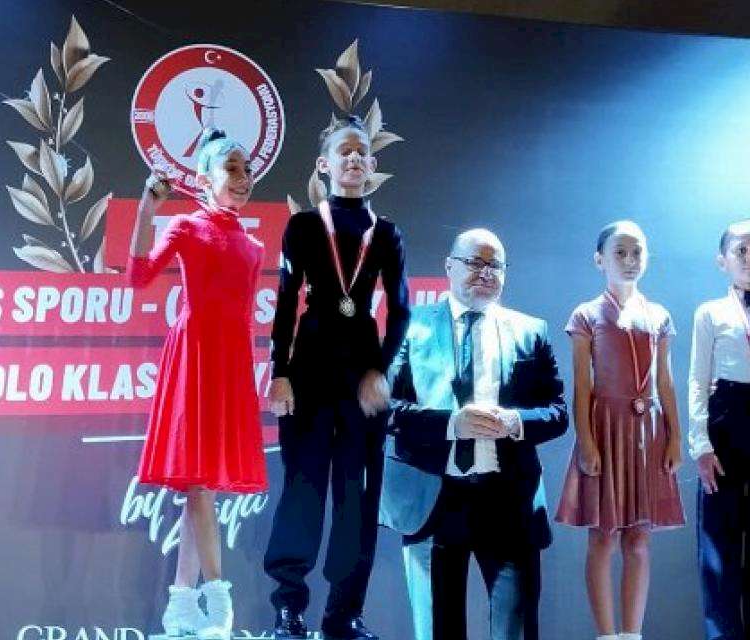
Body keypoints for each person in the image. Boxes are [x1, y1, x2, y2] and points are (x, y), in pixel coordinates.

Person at [381, 228, 568, 640]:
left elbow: (557, 413)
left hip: (509, 501)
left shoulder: (531, 330)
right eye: (474, 263)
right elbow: (385, 408)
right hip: (433, 499)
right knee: (437, 630)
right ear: (449, 267)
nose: (485, 273)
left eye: (495, 265)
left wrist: (515, 422)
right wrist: (452, 424)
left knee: (516, 630)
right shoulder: (410, 325)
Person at [264, 115, 410, 640]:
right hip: (309, 367)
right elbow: (286, 303)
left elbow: (401, 310)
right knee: (302, 488)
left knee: (358, 495)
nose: (352, 158)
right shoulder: (304, 226)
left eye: (360, 152)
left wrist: (380, 370)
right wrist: (280, 373)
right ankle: (289, 608)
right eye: (343, 151)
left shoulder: (386, 233)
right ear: (324, 164)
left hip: (362, 373)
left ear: (371, 165)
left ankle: (344, 612)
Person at [129, 128, 267, 640]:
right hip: (192, 358)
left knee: (199, 485)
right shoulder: (187, 226)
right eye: (231, 169)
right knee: (200, 485)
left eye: (246, 170)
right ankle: (219, 597)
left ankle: (181, 603)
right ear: (205, 178)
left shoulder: (253, 245)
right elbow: (138, 276)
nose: (242, 178)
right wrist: (147, 210)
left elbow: (246, 316)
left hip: (230, 365)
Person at [554, 221, 684, 640]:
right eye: (620, 252)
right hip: (605, 428)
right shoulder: (586, 314)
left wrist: (675, 436)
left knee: (639, 539)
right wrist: (586, 441)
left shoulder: (659, 314)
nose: (630, 260)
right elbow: (582, 383)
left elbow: (665, 381)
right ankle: (607, 635)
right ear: (600, 260)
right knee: (604, 537)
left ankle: (632, 634)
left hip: (648, 434)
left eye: (637, 252)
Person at [689, 219, 750, 640]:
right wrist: (701, 445)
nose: (749, 258)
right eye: (741, 250)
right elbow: (697, 380)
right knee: (719, 547)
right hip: (726, 423)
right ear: (722, 260)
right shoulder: (710, 312)